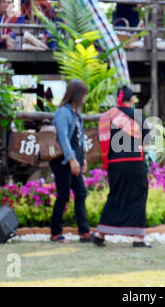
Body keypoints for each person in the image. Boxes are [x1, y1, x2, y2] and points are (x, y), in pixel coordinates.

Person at [94, 86, 151, 248]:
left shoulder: (108, 116)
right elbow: (146, 142)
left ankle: (100, 234)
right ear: (132, 99)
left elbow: (102, 139)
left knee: (115, 194)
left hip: (114, 163)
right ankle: (138, 238)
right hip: (133, 161)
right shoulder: (138, 115)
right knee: (139, 194)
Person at [49, 79, 92, 243]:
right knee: (64, 195)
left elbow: (80, 139)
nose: (86, 98)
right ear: (78, 95)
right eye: (84, 94)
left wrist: (84, 159)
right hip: (63, 162)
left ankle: (84, 231)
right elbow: (63, 138)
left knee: (80, 193)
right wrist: (72, 160)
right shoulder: (63, 112)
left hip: (75, 161)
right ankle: (55, 232)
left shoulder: (76, 114)